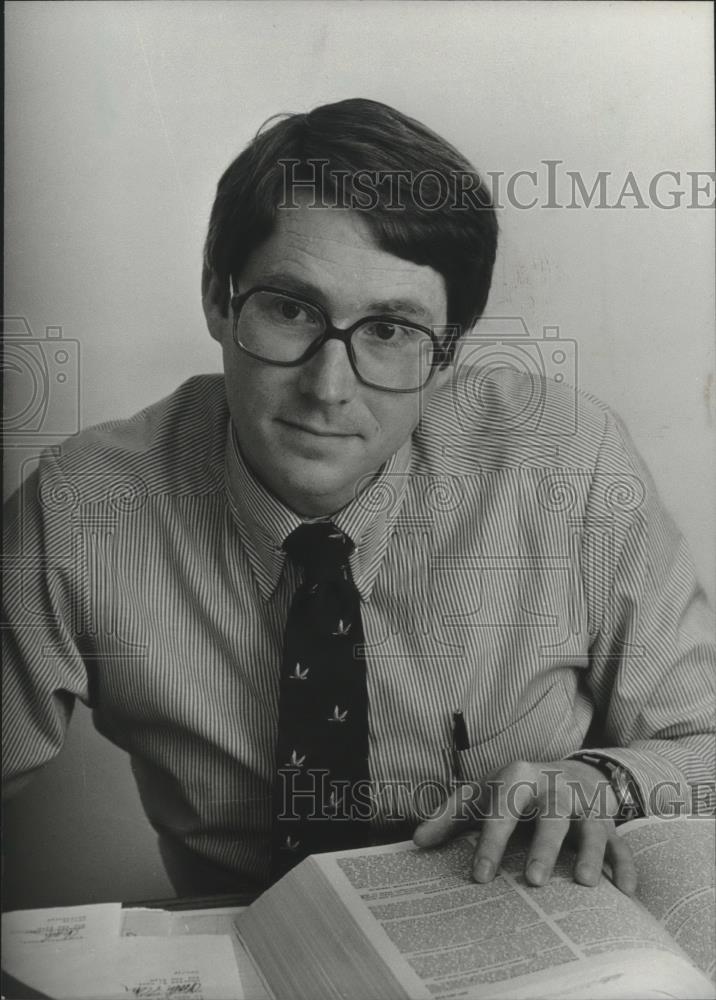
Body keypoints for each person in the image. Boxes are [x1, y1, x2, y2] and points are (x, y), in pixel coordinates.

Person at [3, 98, 714, 900]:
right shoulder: (82, 507)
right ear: (216, 297)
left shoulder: (568, 468)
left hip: (523, 943)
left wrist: (603, 782)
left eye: (389, 330)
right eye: (290, 309)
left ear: (447, 360)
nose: (327, 388)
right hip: (242, 951)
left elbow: (708, 749)